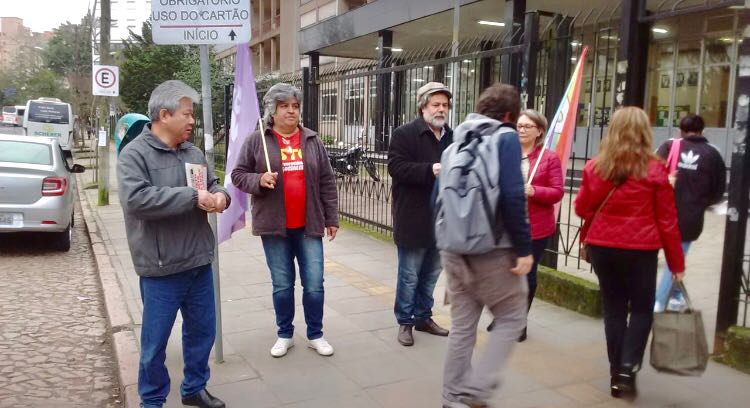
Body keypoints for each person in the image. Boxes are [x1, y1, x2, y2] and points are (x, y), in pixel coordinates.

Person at [117, 80, 229, 408]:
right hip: (161, 266)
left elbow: (212, 184)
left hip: (198, 260)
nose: (192, 120)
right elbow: (137, 200)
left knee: (202, 332)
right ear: (164, 115)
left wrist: (221, 196)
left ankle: (194, 387)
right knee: (155, 342)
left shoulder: (192, 152)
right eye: (187, 114)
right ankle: (152, 399)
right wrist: (193, 196)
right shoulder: (134, 155)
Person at [574, 106, 684, 399]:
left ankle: (616, 376)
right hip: (640, 250)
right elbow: (667, 221)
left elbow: (582, 208)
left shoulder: (595, 167)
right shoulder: (656, 170)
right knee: (642, 309)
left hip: (602, 247)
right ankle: (627, 368)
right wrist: (676, 263)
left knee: (614, 309)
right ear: (645, 132)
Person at [439, 83, 534, 408]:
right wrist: (524, 248)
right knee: (512, 315)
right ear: (509, 115)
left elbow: (438, 199)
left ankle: (452, 397)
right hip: (491, 249)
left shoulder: (456, 141)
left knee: (463, 326)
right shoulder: (505, 137)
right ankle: (476, 392)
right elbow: (512, 195)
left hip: (452, 248)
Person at [231, 83, 339, 358]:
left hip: (309, 224)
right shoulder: (257, 140)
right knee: (282, 284)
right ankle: (285, 334)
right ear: (272, 111)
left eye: (295, 106)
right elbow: (238, 175)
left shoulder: (312, 140)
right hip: (274, 226)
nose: (291, 111)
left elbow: (327, 180)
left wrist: (331, 217)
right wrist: (259, 179)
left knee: (314, 283)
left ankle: (315, 334)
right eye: (284, 106)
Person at [388, 81, 453, 346]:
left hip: (443, 221)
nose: (441, 109)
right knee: (409, 276)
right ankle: (405, 321)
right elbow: (396, 168)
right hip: (413, 218)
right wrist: (430, 170)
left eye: (445, 105)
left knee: (431, 276)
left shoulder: (452, 137)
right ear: (423, 107)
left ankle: (423, 317)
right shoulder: (405, 134)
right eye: (436, 104)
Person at [653, 114, 726, 312]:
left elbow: (651, 172)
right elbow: (718, 189)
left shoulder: (669, 146)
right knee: (675, 259)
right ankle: (660, 302)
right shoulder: (713, 153)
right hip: (690, 218)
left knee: (652, 258)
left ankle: (669, 297)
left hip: (660, 213)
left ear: (681, 130)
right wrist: (701, 203)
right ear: (703, 131)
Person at [513, 109, 563, 341]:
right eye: (519, 126)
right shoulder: (508, 154)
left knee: (526, 274)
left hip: (535, 228)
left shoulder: (549, 158)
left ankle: (520, 322)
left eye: (527, 126)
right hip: (508, 226)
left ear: (539, 131)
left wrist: (534, 191)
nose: (522, 130)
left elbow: (557, 192)